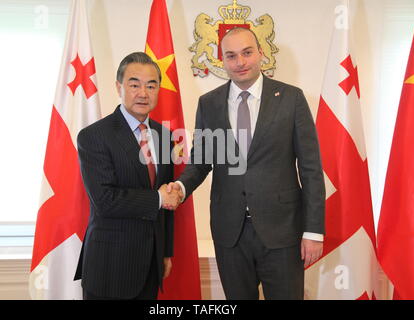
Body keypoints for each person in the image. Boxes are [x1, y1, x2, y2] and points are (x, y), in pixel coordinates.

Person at [168, 27, 325, 300]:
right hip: (230, 234)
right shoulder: (209, 104)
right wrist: (180, 187)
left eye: (247, 53)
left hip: (283, 233)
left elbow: (311, 169)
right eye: (231, 55)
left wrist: (313, 231)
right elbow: (202, 160)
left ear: (260, 53)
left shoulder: (291, 99)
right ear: (222, 61)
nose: (240, 62)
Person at [74, 52, 182, 300]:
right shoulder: (94, 136)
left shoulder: (164, 136)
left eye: (151, 85)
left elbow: (166, 200)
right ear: (118, 87)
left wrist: (165, 253)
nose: (143, 92)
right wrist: (157, 198)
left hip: (151, 266)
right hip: (110, 267)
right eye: (134, 84)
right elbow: (105, 199)